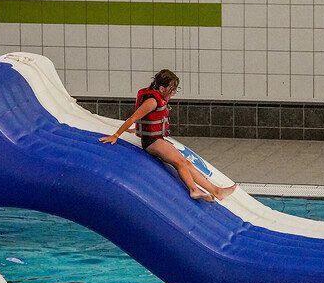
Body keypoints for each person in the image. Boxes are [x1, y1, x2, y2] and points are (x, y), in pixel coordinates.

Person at [99, 69, 236, 201]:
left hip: (155, 139)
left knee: (186, 163)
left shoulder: (157, 98)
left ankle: (216, 191)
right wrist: (116, 135)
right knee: (180, 163)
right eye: (171, 90)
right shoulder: (152, 101)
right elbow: (133, 118)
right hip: (152, 142)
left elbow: (147, 120)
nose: (173, 93)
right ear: (161, 89)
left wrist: (136, 130)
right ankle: (194, 190)